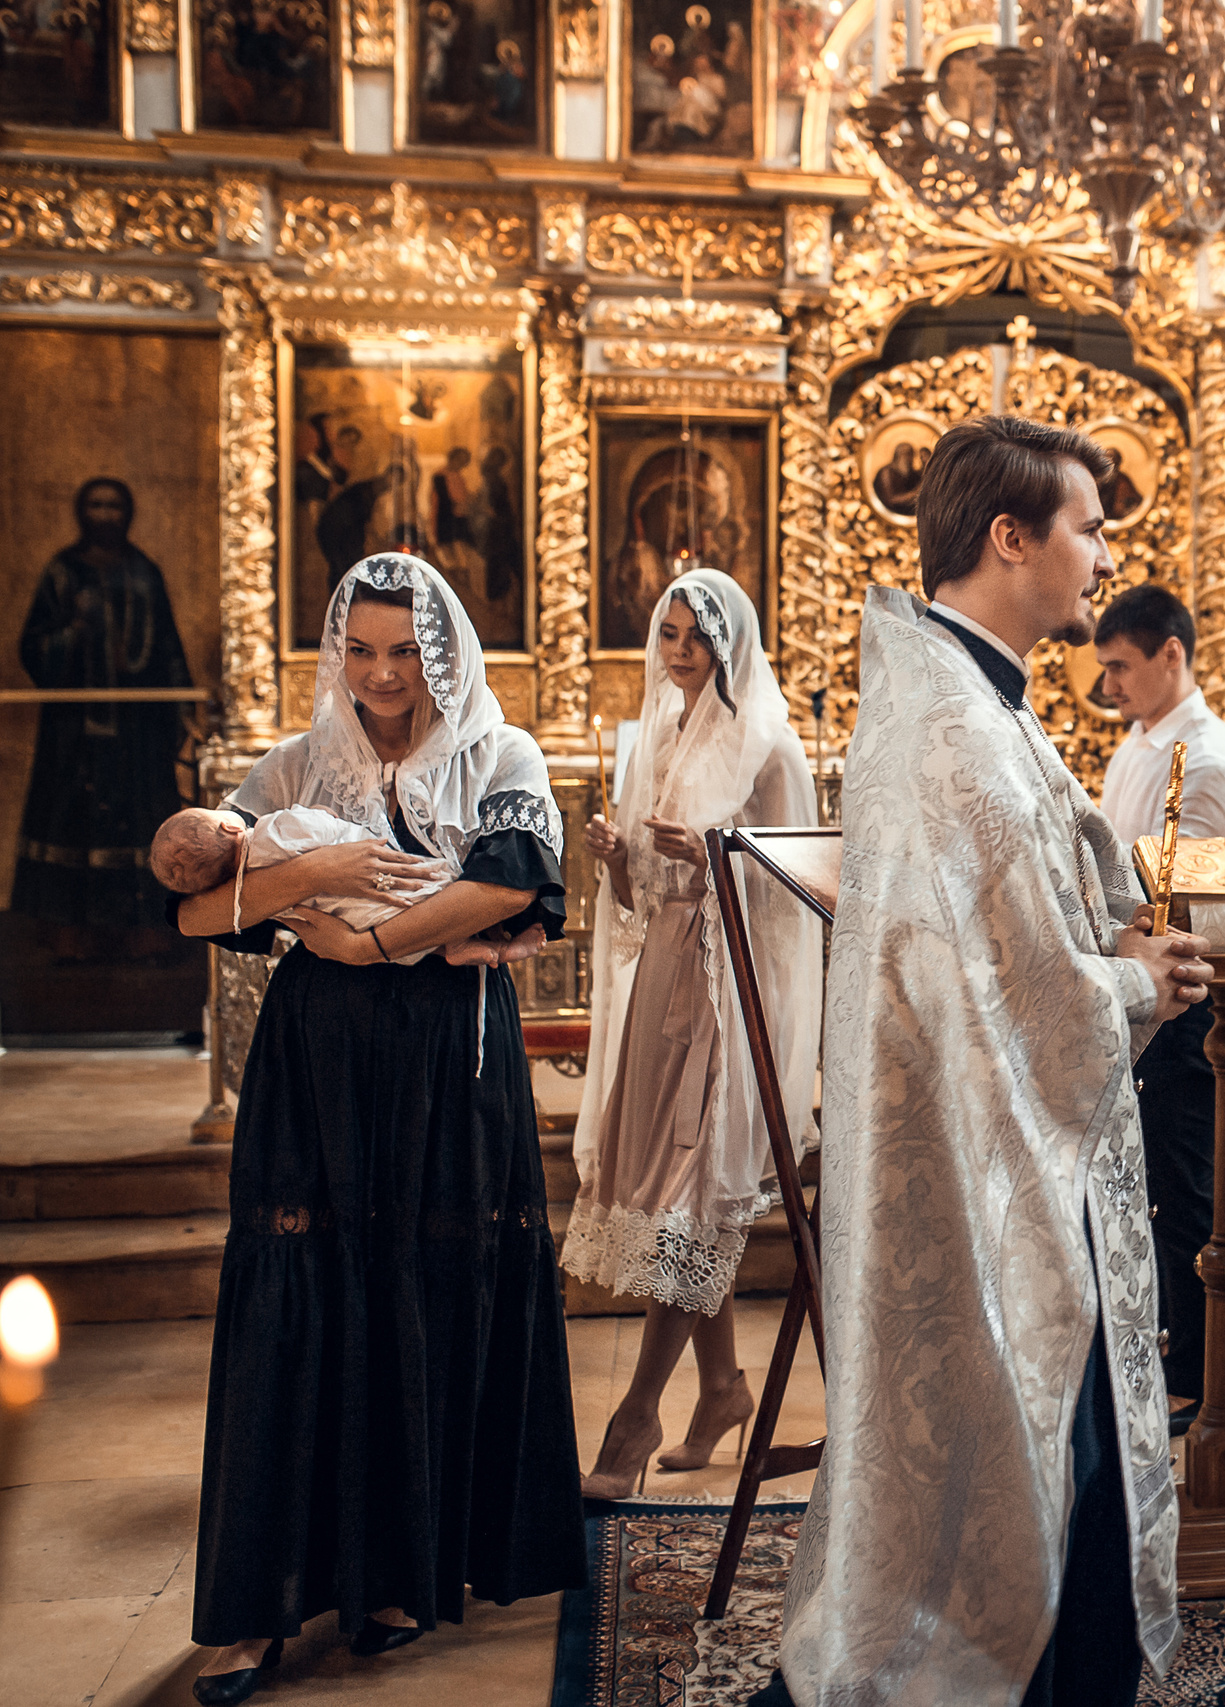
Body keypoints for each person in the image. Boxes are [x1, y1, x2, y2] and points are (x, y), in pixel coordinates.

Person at [763, 417, 1202, 1707]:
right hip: (981, 1174)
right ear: (1011, 537)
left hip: (996, 1149)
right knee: (1030, 1460)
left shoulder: (968, 699)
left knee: (1045, 1453)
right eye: (1088, 529)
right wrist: (1141, 982)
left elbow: (1040, 899)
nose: (1104, 557)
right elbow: (1011, 994)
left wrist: (1114, 932)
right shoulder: (953, 729)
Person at [171, 554, 585, 1705]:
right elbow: (198, 906)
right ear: (335, 652)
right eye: (361, 650)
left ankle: (403, 1575)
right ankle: (258, 1608)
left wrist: (365, 939)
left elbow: (511, 884)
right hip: (317, 1060)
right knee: (300, 1292)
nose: (384, 675)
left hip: (450, 1055)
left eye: (406, 652)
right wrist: (323, 868)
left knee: (429, 1283)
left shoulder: (500, 754)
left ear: (444, 657)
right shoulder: (294, 764)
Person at [562, 567, 821, 1498]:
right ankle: (721, 1389)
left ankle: (636, 1416)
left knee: (691, 1195)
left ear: (730, 645)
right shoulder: (662, 736)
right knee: (675, 1196)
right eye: (668, 634)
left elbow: (797, 891)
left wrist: (713, 857)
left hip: (727, 991)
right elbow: (640, 900)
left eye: (697, 637)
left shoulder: (771, 747)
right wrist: (617, 859)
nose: (679, 652)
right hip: (665, 981)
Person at [1093, 583, 1225, 1435]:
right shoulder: (1142, 742)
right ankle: (1157, 1355)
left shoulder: (1208, 759)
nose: (1109, 685)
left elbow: (1182, 902)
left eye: (1121, 667)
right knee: (1151, 1181)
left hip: (1188, 994)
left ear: (1171, 653)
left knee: (1184, 1186)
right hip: (1143, 982)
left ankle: (1195, 1376)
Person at [14, 477, 194, 962]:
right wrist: (73, 629)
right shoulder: (62, 572)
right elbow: (33, 647)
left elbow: (168, 648)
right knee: (70, 823)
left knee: (141, 824)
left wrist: (182, 709)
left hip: (137, 731)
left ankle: (144, 936)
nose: (105, 515)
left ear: (127, 512)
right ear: (81, 511)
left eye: (113, 506)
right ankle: (70, 938)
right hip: (74, 731)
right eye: (96, 505)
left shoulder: (144, 572)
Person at [148, 804, 543, 968]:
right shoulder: (273, 827)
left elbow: (509, 888)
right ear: (230, 824)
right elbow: (189, 918)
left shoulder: (243, 885)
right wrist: (314, 871)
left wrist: (359, 947)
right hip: (348, 955)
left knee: (406, 912)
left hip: (356, 925)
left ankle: (457, 946)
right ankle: (472, 942)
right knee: (430, 885)